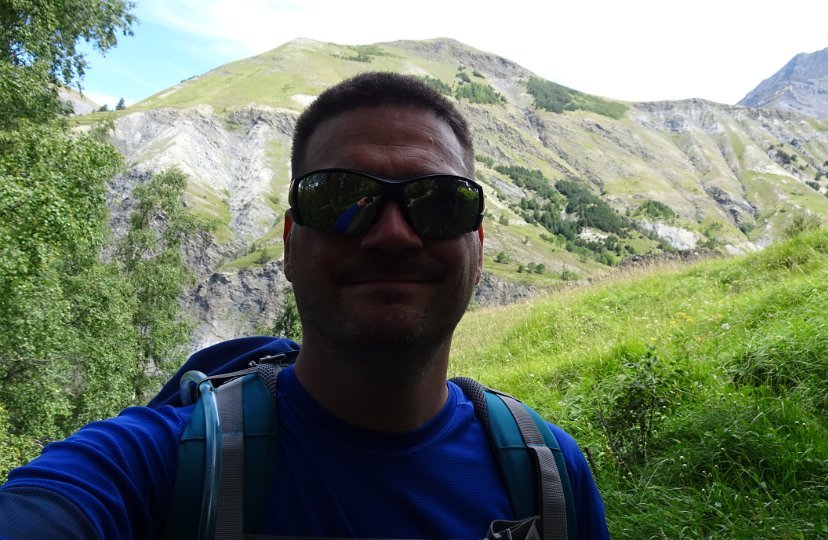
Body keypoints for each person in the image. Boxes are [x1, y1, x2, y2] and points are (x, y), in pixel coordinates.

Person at [0, 72, 609, 539]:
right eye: (340, 198)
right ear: (290, 244)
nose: (393, 235)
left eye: (439, 201)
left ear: (478, 248)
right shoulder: (154, 463)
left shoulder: (551, 474)